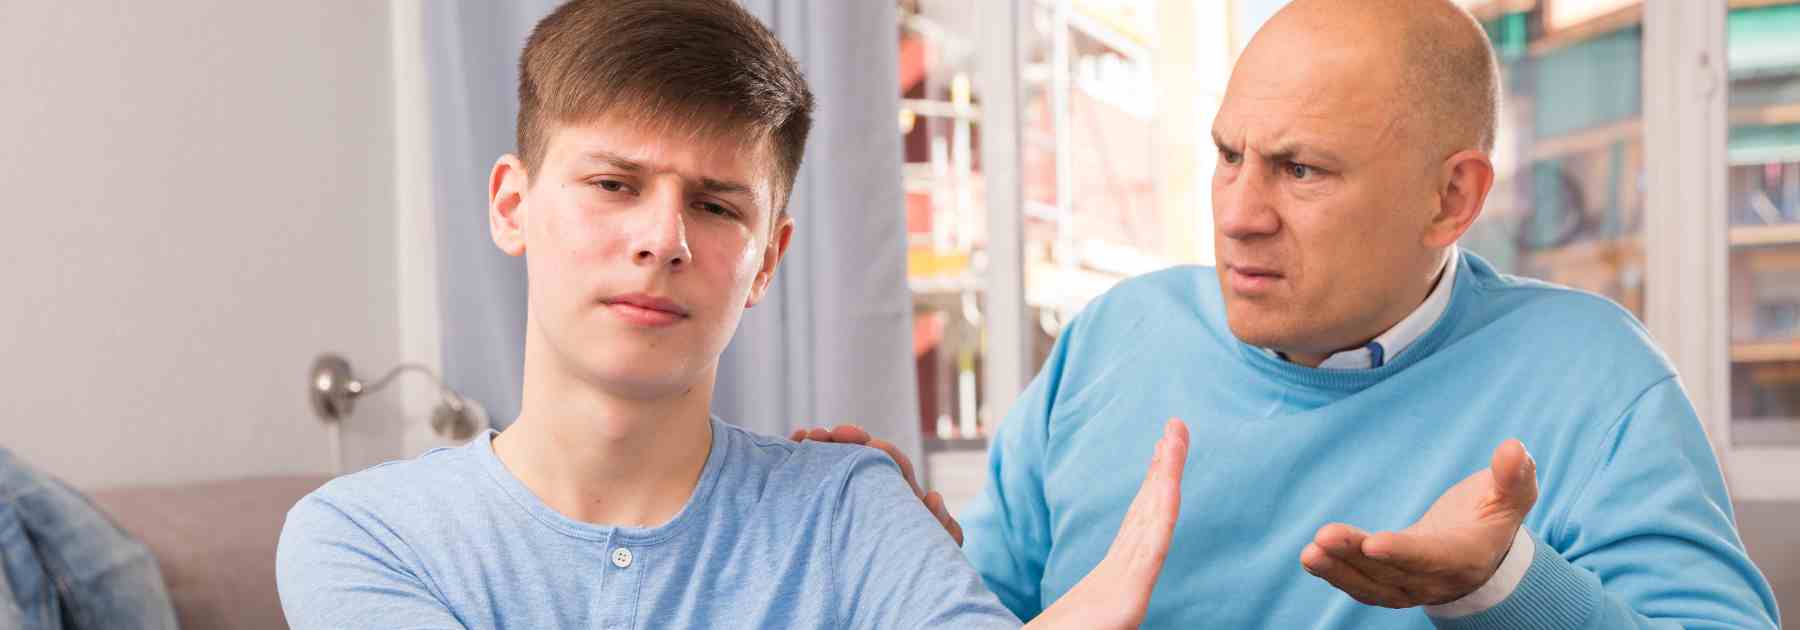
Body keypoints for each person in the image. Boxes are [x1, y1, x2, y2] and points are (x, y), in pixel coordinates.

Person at [797, 0, 1783, 627]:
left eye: (1300, 170)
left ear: (1451, 198)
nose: (1237, 214)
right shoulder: (1115, 334)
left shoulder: (1594, 377)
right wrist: (918, 565)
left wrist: (1501, 585)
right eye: (1229, 155)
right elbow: (1001, 605)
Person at [274, 1, 1189, 628]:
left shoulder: (851, 509)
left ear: (767, 262)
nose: (663, 239)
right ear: (513, 207)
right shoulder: (364, 536)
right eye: (613, 184)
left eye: (715, 206)